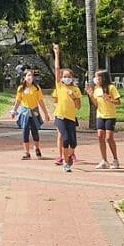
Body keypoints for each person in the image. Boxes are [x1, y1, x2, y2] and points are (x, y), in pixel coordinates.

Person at [52, 44, 82, 172]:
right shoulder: (60, 86)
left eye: (69, 76)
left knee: (73, 142)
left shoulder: (75, 89)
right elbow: (57, 69)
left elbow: (79, 106)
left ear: (72, 78)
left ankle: (69, 155)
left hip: (71, 117)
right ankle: (65, 163)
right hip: (60, 116)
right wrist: (57, 54)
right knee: (65, 139)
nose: (66, 78)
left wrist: (74, 97)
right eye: (65, 76)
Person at [10, 69, 50, 159]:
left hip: (34, 112)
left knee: (35, 131)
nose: (30, 77)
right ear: (24, 77)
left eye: (31, 76)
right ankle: (27, 152)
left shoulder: (36, 88)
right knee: (25, 132)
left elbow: (40, 101)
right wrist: (14, 111)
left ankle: (37, 148)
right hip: (24, 112)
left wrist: (46, 114)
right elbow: (18, 101)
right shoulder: (21, 88)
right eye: (28, 75)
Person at [86, 69, 122, 169]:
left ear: (103, 78)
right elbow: (96, 104)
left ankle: (115, 159)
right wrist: (90, 95)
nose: (96, 79)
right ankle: (104, 160)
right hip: (100, 115)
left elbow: (118, 102)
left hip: (110, 115)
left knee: (109, 137)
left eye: (98, 77)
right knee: (100, 136)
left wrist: (109, 99)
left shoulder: (111, 87)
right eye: (95, 77)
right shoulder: (97, 89)